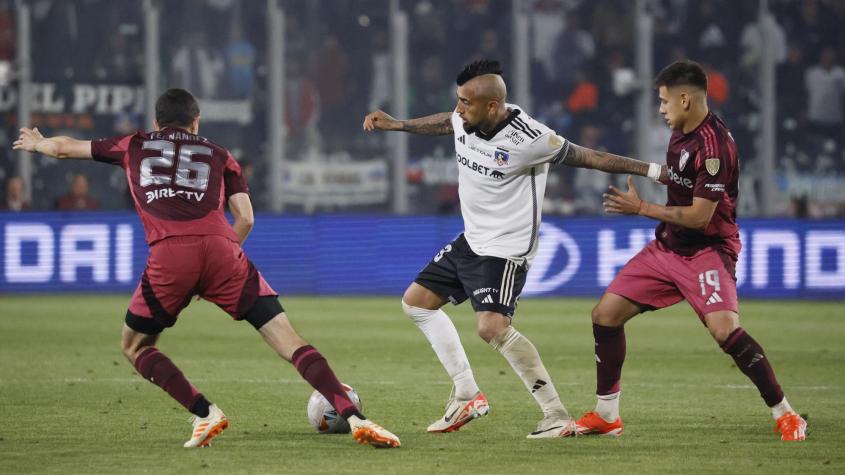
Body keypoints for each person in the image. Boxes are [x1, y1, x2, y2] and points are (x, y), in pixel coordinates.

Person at [13, 88, 400, 449]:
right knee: (290, 341)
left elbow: (65, 149)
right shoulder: (219, 153)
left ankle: (205, 413)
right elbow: (245, 218)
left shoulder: (135, 144)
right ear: (195, 122)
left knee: (134, 346)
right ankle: (354, 416)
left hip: (170, 254)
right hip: (222, 250)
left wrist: (37, 143)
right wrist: (223, 257)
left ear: (156, 121)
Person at [363, 60, 665, 438]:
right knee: (416, 303)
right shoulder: (465, 117)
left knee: (491, 328)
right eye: (457, 100)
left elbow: (591, 157)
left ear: (492, 106)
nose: (459, 109)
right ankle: (467, 394)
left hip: (505, 250)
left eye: (466, 102)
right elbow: (447, 122)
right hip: (471, 239)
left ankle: (555, 415)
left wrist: (655, 172)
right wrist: (399, 124)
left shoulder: (531, 138)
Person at [577, 60, 807, 441]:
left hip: (708, 251)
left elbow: (701, 217)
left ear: (685, 99)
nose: (661, 109)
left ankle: (786, 414)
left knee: (725, 331)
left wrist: (642, 209)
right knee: (605, 315)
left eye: (665, 102)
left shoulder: (716, 147)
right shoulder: (681, 131)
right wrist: (629, 168)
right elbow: (677, 174)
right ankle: (607, 415)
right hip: (667, 247)